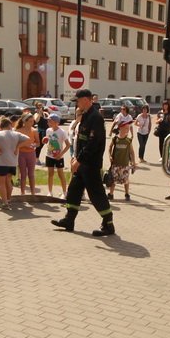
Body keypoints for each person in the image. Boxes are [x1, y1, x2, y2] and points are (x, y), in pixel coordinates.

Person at [52, 89, 115, 236]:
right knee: (74, 190)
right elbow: (81, 140)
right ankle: (69, 220)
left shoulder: (96, 118)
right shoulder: (86, 116)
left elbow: (93, 143)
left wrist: (79, 160)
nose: (77, 103)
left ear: (86, 100)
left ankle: (108, 224)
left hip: (91, 163)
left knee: (96, 193)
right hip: (82, 162)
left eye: (78, 100)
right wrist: (75, 158)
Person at [0, 117, 29, 209]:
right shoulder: (16, 134)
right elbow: (28, 139)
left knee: (1, 183)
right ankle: (8, 200)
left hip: (1, 162)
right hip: (12, 162)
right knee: (8, 181)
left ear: (0, 125)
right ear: (10, 124)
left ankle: (5, 202)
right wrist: (18, 147)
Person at [42, 113, 71, 197]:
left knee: (60, 174)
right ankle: (50, 192)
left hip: (59, 157)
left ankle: (64, 193)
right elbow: (47, 140)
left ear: (56, 122)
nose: (48, 123)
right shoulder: (48, 130)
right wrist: (45, 140)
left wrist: (61, 154)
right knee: (50, 174)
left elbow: (68, 145)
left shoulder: (62, 132)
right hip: (49, 155)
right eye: (48, 121)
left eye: (50, 121)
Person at [107, 121, 137, 201]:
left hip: (125, 164)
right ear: (120, 128)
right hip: (115, 164)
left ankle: (127, 194)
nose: (127, 130)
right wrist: (110, 156)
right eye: (126, 128)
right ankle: (111, 194)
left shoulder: (128, 140)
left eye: (128, 128)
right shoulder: (115, 139)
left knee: (126, 180)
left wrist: (133, 162)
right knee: (113, 180)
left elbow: (132, 152)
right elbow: (110, 148)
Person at [15, 114, 39, 196]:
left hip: (31, 153)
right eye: (30, 121)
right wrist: (24, 145)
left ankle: (33, 193)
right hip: (21, 154)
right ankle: (23, 193)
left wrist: (34, 145)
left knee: (31, 174)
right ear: (24, 122)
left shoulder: (34, 130)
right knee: (23, 174)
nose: (32, 123)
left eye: (33, 121)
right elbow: (16, 143)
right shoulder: (18, 131)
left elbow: (38, 143)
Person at [155, 100, 170, 164]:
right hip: (161, 130)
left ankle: (167, 157)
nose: (165, 106)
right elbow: (156, 121)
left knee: (168, 144)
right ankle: (162, 157)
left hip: (168, 131)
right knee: (161, 144)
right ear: (162, 106)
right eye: (164, 105)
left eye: (166, 105)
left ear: (168, 106)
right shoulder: (160, 112)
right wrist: (159, 120)